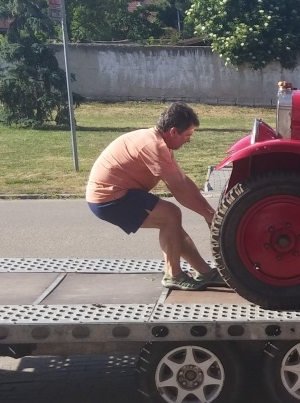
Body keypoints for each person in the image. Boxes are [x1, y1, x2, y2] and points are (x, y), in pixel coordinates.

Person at [86, 102, 225, 291]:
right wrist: (208, 216)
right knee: (171, 215)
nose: (189, 140)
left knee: (172, 225)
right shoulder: (154, 145)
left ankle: (204, 272)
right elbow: (178, 189)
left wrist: (210, 212)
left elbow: (184, 181)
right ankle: (173, 275)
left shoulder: (160, 143)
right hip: (108, 198)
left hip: (120, 193)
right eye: (187, 135)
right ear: (174, 131)